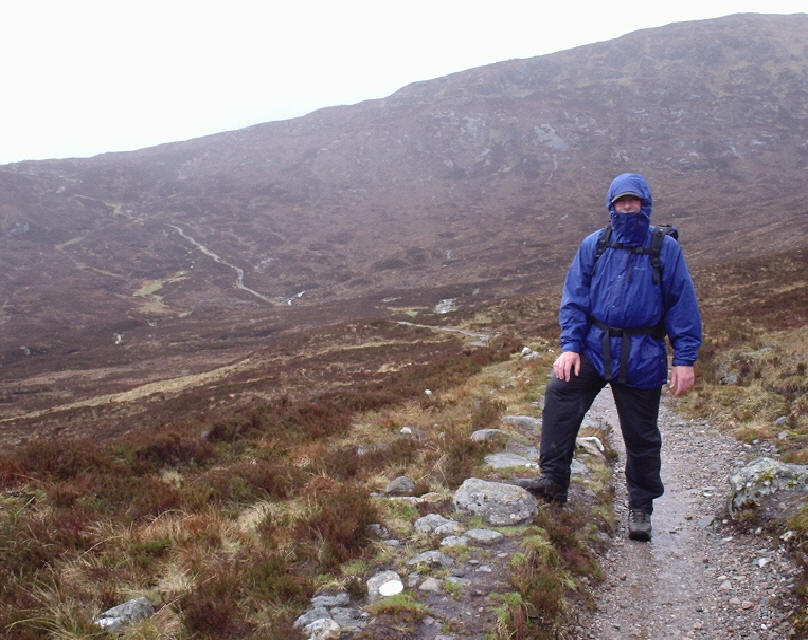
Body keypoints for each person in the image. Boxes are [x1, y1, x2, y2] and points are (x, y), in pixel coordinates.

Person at [517, 173, 702, 542]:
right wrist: (570, 346)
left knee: (641, 436)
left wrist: (684, 358)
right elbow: (575, 297)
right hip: (594, 347)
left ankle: (641, 508)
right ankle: (553, 480)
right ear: (611, 205)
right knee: (560, 394)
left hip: (643, 353)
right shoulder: (595, 245)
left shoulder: (664, 249)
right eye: (621, 201)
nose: (628, 207)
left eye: (634, 201)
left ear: (645, 203)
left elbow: (682, 305)